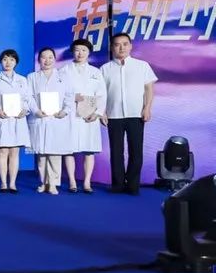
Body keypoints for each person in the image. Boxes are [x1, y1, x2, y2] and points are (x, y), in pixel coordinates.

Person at [101, 33, 157, 195]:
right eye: (117, 44)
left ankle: (133, 185)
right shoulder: (105, 69)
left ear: (130, 46)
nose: (121, 48)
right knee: (116, 152)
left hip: (136, 114)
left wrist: (147, 108)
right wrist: (102, 112)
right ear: (112, 47)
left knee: (136, 151)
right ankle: (118, 185)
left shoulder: (142, 66)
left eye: (125, 44)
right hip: (114, 115)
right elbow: (100, 93)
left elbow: (149, 89)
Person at [61, 38, 106, 193]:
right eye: (77, 50)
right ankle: (72, 181)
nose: (80, 53)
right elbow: (59, 92)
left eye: (84, 50)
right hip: (71, 114)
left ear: (89, 52)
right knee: (69, 149)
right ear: (72, 52)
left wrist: (98, 113)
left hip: (89, 115)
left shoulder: (96, 72)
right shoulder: (64, 70)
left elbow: (102, 95)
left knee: (89, 150)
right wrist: (72, 97)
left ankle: (87, 182)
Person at [28, 47, 72, 194]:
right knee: (41, 154)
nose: (47, 60)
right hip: (39, 118)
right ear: (39, 60)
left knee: (54, 153)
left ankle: (53, 183)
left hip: (56, 119)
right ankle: (43, 182)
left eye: (50, 57)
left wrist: (64, 111)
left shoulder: (63, 77)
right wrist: (36, 111)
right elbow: (29, 97)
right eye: (43, 57)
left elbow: (69, 97)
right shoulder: (32, 77)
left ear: (55, 59)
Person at [0, 49, 31, 193]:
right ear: (0, 62)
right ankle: (3, 183)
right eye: (5, 59)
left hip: (17, 119)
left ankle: (13, 183)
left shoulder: (22, 80)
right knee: (2, 151)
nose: (8, 62)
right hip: (2, 119)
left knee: (14, 152)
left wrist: (25, 110)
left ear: (16, 62)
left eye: (11, 60)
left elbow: (27, 99)